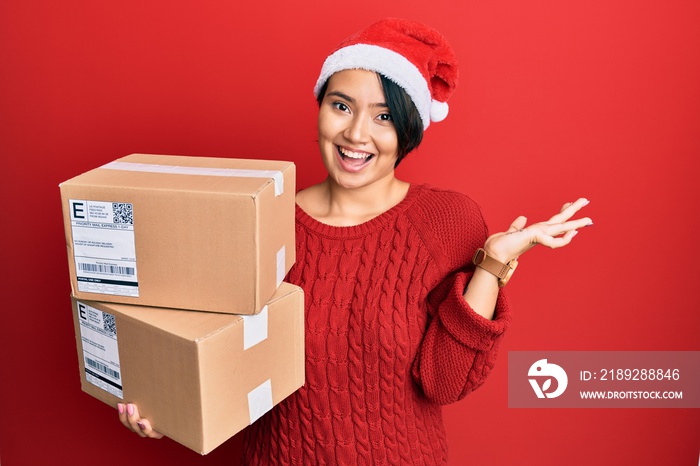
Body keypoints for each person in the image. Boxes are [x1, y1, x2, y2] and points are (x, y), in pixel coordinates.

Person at [118, 17, 592, 465]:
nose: (355, 134)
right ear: (320, 107)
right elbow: (227, 360)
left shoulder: (446, 222)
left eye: (383, 117)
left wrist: (490, 267)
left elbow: (443, 384)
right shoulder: (263, 220)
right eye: (341, 106)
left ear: (410, 130)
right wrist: (171, 407)